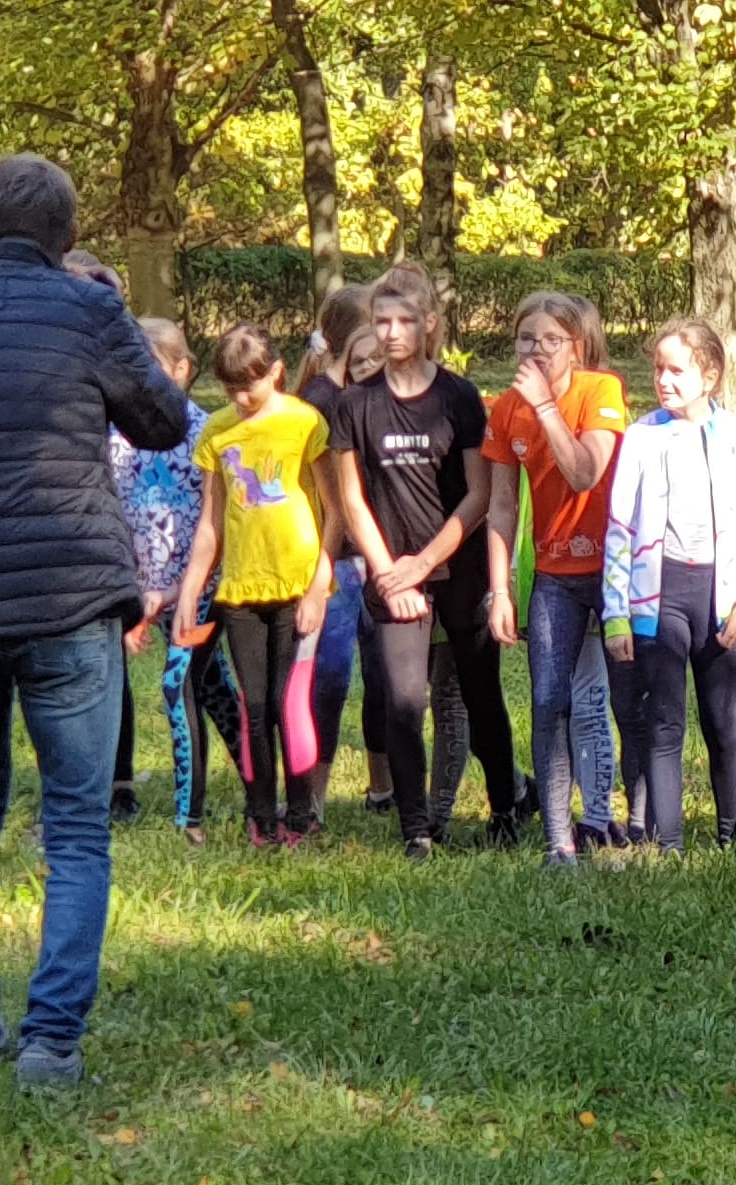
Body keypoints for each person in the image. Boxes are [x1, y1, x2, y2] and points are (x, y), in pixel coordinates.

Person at [0, 156, 190, 1085]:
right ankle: (51, 1040)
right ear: (68, 236)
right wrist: (101, 308)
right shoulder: (91, 309)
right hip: (68, 591)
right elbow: (168, 420)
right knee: (74, 824)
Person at [329, 268, 517, 856]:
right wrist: (390, 572)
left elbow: (480, 493)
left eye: (403, 321)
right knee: (404, 698)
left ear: (429, 325)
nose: (389, 333)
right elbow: (350, 498)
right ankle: (416, 828)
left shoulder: (457, 396)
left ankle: (506, 808)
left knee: (480, 691)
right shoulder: (356, 403)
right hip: (392, 570)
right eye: (380, 321)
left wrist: (426, 561)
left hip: (457, 563)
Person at [603, 318, 736, 853]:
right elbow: (619, 530)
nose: (664, 380)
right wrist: (617, 614)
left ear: (710, 375)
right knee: (664, 723)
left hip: (721, 600)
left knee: (723, 721)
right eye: (658, 369)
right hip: (660, 596)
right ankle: (669, 845)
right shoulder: (641, 436)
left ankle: (732, 841)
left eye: (677, 369)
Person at [484, 290, 634, 862]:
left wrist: (547, 408)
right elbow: (500, 507)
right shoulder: (505, 408)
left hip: (616, 569)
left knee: (626, 699)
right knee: (549, 701)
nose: (539, 350)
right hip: (552, 574)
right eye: (528, 339)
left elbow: (584, 473)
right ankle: (558, 841)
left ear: (578, 345)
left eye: (553, 340)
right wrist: (500, 591)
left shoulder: (601, 390)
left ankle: (629, 821)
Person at [173, 324, 337, 846]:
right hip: (241, 589)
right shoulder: (218, 431)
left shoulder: (305, 422)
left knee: (290, 701)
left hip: (298, 584)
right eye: (230, 390)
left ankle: (302, 814)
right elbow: (210, 524)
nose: (242, 399)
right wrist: (189, 593)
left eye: (251, 386)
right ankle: (261, 815)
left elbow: (335, 512)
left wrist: (317, 587)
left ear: (276, 371)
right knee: (255, 703)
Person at [122, 316, 238, 840]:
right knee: (213, 691)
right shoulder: (116, 438)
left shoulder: (206, 435)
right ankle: (265, 785)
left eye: (152, 368)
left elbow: (220, 528)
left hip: (199, 594)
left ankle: (189, 816)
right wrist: (132, 602)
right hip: (144, 595)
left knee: (179, 685)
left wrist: (177, 591)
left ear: (182, 369)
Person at [298, 285, 385, 815]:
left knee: (383, 676)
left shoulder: (372, 392)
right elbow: (336, 501)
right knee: (331, 677)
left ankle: (382, 787)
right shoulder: (322, 402)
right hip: (339, 558)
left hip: (374, 553)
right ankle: (314, 798)